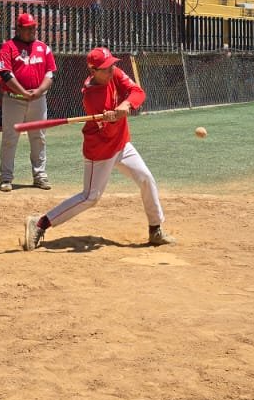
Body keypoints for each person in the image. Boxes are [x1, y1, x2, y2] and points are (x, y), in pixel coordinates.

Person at [22, 47, 174, 251]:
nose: (111, 70)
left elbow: (138, 92)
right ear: (93, 71)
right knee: (90, 197)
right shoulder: (92, 97)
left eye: (112, 65)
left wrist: (126, 105)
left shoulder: (114, 73)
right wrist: (111, 117)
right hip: (101, 150)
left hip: (121, 143)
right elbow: (108, 128)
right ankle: (40, 223)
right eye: (105, 68)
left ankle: (155, 229)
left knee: (146, 178)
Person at [0, 11, 57, 192]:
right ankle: (6, 178)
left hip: (38, 99)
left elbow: (50, 73)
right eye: (29, 28)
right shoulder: (8, 47)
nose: (32, 31)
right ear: (19, 28)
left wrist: (38, 91)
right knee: (10, 138)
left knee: (38, 137)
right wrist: (23, 92)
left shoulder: (43, 47)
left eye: (34, 28)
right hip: (14, 99)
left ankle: (40, 176)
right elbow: (5, 73)